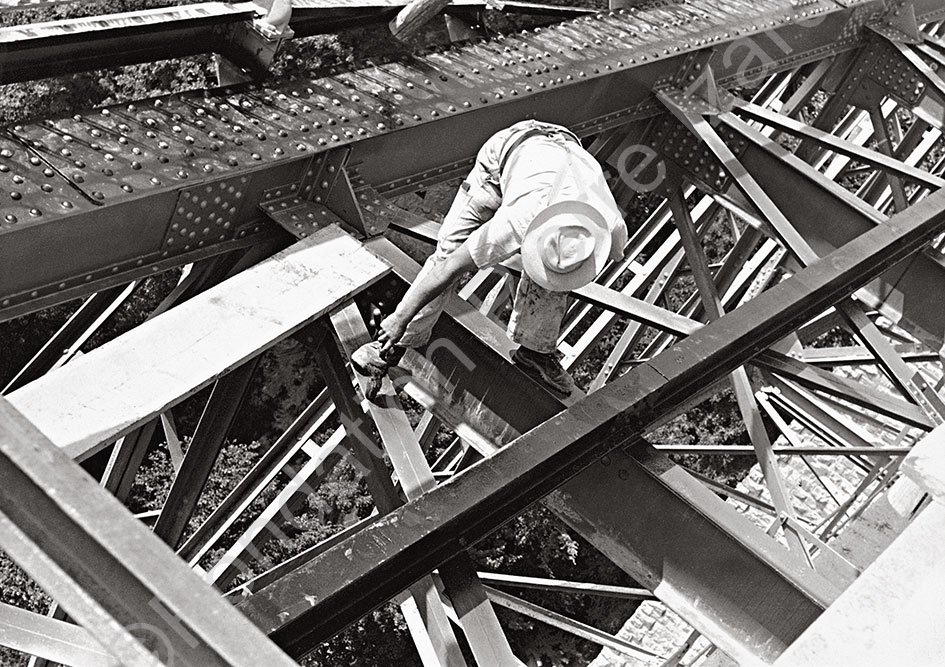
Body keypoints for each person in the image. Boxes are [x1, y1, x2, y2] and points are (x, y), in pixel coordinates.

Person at [352, 119, 628, 398]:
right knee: (450, 250)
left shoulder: (608, 225)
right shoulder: (516, 221)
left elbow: (610, 252)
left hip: (561, 149)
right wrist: (399, 318)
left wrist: (566, 265)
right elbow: (449, 268)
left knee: (556, 270)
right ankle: (388, 348)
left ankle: (536, 351)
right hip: (502, 158)